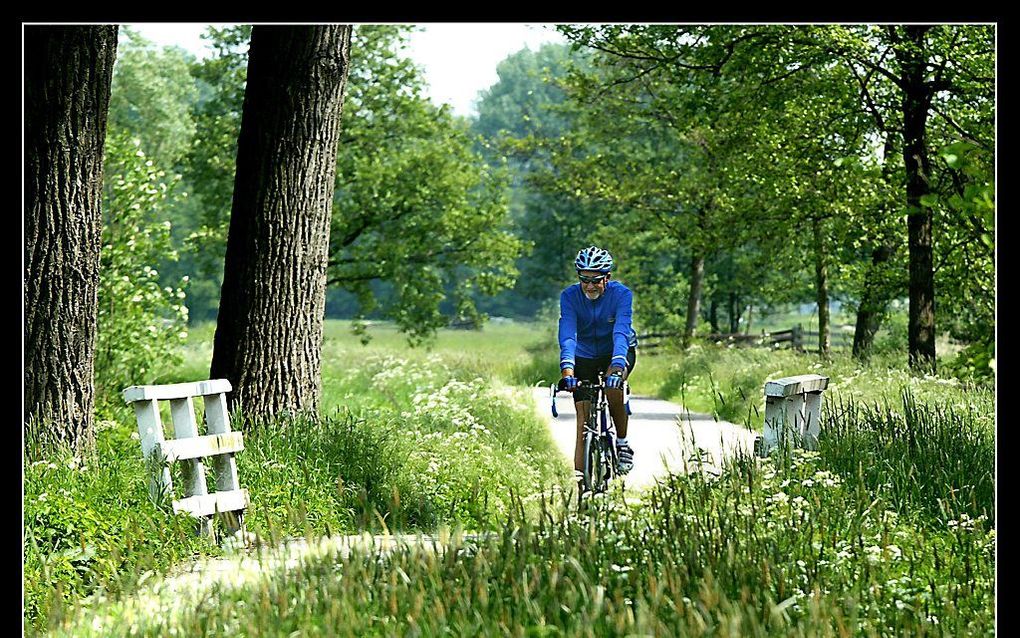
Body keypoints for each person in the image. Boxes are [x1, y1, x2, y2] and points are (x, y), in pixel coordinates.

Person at [557, 245, 638, 490]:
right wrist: (568, 371)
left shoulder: (621, 295)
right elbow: (568, 334)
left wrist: (616, 365)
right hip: (582, 355)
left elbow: (621, 332)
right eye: (584, 279)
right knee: (583, 420)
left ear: (607, 278)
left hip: (616, 352)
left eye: (596, 280)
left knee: (614, 387)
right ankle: (582, 487)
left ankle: (622, 443)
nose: (590, 286)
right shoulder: (569, 296)